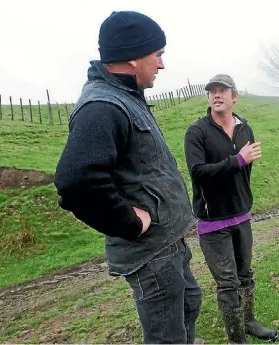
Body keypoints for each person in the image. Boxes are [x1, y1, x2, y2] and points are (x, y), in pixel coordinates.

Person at [54, 11, 202, 344]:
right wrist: (129, 222)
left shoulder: (126, 96)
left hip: (168, 241)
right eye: (158, 55)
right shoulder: (102, 106)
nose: (162, 65)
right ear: (134, 57)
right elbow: (75, 181)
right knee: (167, 336)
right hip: (150, 252)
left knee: (190, 305)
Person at [184, 74, 279, 343]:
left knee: (246, 275)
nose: (216, 95)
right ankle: (236, 339)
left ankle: (248, 322)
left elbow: (245, 171)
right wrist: (237, 159)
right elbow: (198, 173)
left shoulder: (244, 128)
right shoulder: (197, 132)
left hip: (241, 216)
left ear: (233, 97)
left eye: (222, 91)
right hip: (213, 221)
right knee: (228, 284)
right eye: (211, 91)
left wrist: (243, 182)